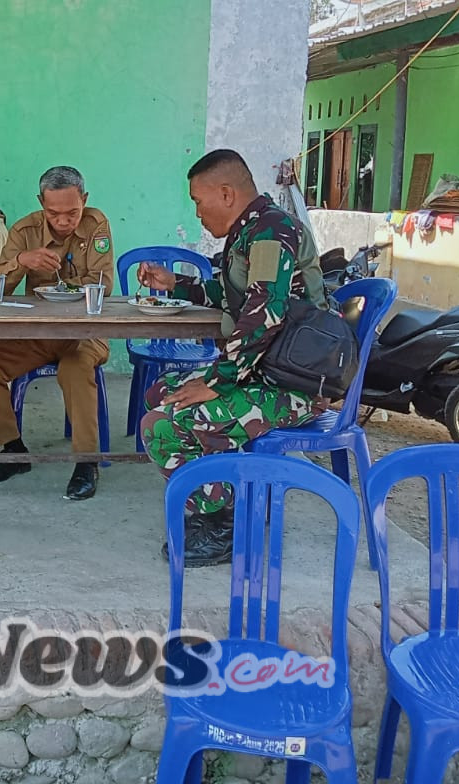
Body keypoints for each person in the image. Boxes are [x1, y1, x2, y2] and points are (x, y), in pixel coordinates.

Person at [138, 149, 328, 566]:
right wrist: (176, 284)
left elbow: (264, 312)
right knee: (161, 393)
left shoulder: (272, 233)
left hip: (293, 385)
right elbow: (230, 296)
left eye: (197, 201)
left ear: (225, 193)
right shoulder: (250, 231)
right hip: (266, 372)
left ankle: (227, 523)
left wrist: (216, 382)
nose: (198, 213)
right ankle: (220, 501)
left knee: (163, 425)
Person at [0, 165, 114, 502]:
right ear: (40, 203)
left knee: (76, 369)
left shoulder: (96, 224)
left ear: (85, 201)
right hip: (39, 333)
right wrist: (22, 260)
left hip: (84, 333)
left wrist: (69, 284)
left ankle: (86, 462)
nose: (64, 221)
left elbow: (103, 284)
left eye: (72, 212)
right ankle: (13, 451)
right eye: (54, 213)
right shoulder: (24, 229)